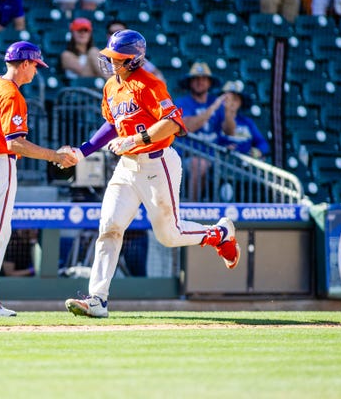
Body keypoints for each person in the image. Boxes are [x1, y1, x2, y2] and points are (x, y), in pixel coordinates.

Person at [63, 30, 240, 318]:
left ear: (134, 60)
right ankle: (97, 299)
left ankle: (218, 234)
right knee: (109, 226)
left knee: (169, 235)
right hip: (127, 167)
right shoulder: (111, 86)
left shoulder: (150, 84)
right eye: (111, 57)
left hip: (158, 164)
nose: (112, 62)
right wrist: (82, 151)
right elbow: (111, 124)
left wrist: (134, 139)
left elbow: (172, 124)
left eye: (119, 58)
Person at [0, 41, 76, 316]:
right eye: (35, 66)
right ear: (24, 63)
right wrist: (55, 156)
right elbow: (16, 144)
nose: (36, 71)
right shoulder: (12, 94)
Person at [174, 61, 224, 201]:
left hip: (215, 157)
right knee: (198, 163)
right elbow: (188, 126)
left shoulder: (217, 103)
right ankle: (192, 206)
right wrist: (211, 110)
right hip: (186, 156)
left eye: (203, 79)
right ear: (190, 82)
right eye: (195, 78)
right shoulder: (182, 102)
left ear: (209, 82)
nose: (199, 82)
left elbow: (228, 131)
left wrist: (230, 112)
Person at [217, 80, 270, 159]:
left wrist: (259, 151)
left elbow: (262, 143)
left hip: (244, 164)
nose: (231, 103)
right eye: (228, 99)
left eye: (235, 99)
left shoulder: (247, 122)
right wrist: (223, 148)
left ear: (241, 103)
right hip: (223, 162)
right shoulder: (215, 119)